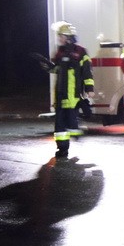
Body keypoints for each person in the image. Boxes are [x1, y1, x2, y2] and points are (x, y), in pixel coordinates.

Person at [47, 21, 94, 159]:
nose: (59, 38)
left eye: (61, 35)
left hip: (73, 94)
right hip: (60, 94)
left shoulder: (80, 51)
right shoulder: (60, 52)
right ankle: (62, 149)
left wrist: (89, 88)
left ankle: (76, 133)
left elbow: (87, 71)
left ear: (68, 36)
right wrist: (48, 66)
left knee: (71, 122)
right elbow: (56, 69)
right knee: (60, 125)